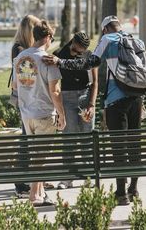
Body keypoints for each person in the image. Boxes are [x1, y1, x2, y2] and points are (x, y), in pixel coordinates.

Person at [42, 15, 145, 206]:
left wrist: (61, 62)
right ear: (119, 26)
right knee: (134, 143)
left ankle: (121, 193)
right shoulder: (136, 40)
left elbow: (88, 63)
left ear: (105, 29)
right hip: (137, 100)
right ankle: (134, 188)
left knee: (119, 146)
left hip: (117, 100)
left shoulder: (107, 39)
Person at [13, 20, 66, 206]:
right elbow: (56, 91)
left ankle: (41, 194)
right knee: (41, 157)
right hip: (44, 113)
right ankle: (35, 196)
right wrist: (62, 114)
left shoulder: (19, 58)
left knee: (37, 154)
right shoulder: (48, 60)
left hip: (26, 114)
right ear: (48, 37)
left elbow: (14, 85)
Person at [53, 31, 98, 189]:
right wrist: (58, 109)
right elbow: (55, 84)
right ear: (72, 43)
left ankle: (88, 176)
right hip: (67, 98)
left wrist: (91, 105)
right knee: (69, 139)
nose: (80, 54)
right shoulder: (59, 54)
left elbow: (95, 83)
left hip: (85, 97)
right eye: (78, 50)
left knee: (87, 138)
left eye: (82, 51)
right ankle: (67, 177)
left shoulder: (89, 56)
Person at [9, 14, 40, 198]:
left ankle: (31, 181)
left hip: (30, 99)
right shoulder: (19, 49)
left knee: (28, 139)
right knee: (25, 140)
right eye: (36, 27)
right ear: (30, 29)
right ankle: (20, 183)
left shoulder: (23, 48)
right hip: (25, 101)